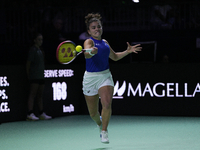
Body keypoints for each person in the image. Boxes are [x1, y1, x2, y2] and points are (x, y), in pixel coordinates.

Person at [82, 13, 142, 143]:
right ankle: (99, 124)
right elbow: (87, 54)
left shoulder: (105, 42)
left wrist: (127, 51)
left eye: (98, 26)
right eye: (93, 27)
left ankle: (104, 131)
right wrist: (91, 51)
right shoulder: (89, 41)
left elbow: (114, 57)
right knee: (93, 114)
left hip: (105, 76)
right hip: (90, 79)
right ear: (89, 31)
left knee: (107, 103)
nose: (97, 29)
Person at [26, 33, 52, 121]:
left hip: (41, 75)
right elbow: (28, 64)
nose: (41, 41)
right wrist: (29, 75)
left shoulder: (41, 50)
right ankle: (30, 113)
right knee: (32, 94)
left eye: (42, 40)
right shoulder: (33, 50)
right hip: (34, 76)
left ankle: (41, 113)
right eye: (39, 39)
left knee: (40, 95)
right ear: (35, 40)